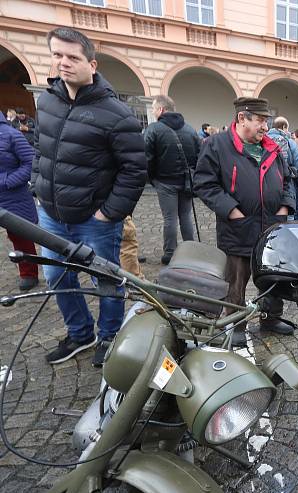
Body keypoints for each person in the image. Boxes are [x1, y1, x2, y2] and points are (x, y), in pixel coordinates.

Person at [33, 27, 147, 366]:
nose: (64, 63)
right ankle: (80, 334)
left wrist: (108, 213)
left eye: (73, 57)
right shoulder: (47, 100)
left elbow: (135, 171)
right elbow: (41, 149)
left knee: (107, 281)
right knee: (56, 276)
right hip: (51, 215)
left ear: (92, 64)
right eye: (57, 55)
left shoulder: (117, 113)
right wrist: (37, 189)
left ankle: (109, 337)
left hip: (95, 220)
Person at [193, 98, 295, 340]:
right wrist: (230, 210)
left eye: (266, 121)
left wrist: (284, 206)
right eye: (260, 120)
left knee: (273, 277)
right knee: (235, 282)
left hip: (272, 226)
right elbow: (204, 183)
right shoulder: (217, 145)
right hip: (237, 227)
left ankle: (270, 319)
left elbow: (287, 180)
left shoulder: (272, 147)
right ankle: (236, 326)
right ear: (242, 118)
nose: (265, 126)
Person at [144, 94, 200, 264]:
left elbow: (147, 158)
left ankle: (170, 253)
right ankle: (191, 251)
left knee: (170, 218)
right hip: (186, 182)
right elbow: (199, 156)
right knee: (185, 216)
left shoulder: (153, 129)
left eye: (154, 108)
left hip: (165, 182)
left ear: (161, 109)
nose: (153, 112)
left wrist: (151, 178)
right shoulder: (190, 129)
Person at [0, 111, 39, 290]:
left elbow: (29, 162)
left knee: (20, 236)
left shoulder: (11, 135)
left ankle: (28, 273)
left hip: (13, 197)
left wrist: (8, 181)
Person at [267, 117, 298, 214]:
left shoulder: (263, 140)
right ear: (284, 127)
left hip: (266, 186)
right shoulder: (290, 143)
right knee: (287, 221)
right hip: (286, 187)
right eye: (287, 128)